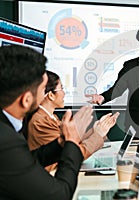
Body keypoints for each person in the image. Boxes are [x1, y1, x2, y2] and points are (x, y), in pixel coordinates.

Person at [0, 45, 108, 200]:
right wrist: (72, 142)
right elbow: (60, 195)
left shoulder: (7, 128)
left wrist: (61, 142)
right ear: (26, 100)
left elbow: (27, 159)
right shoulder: (6, 142)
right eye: (43, 89)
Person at [26, 70, 119, 172]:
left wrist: (96, 129)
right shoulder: (40, 122)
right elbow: (71, 154)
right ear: (51, 95)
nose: (64, 93)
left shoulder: (50, 117)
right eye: (61, 88)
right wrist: (98, 135)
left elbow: (72, 142)